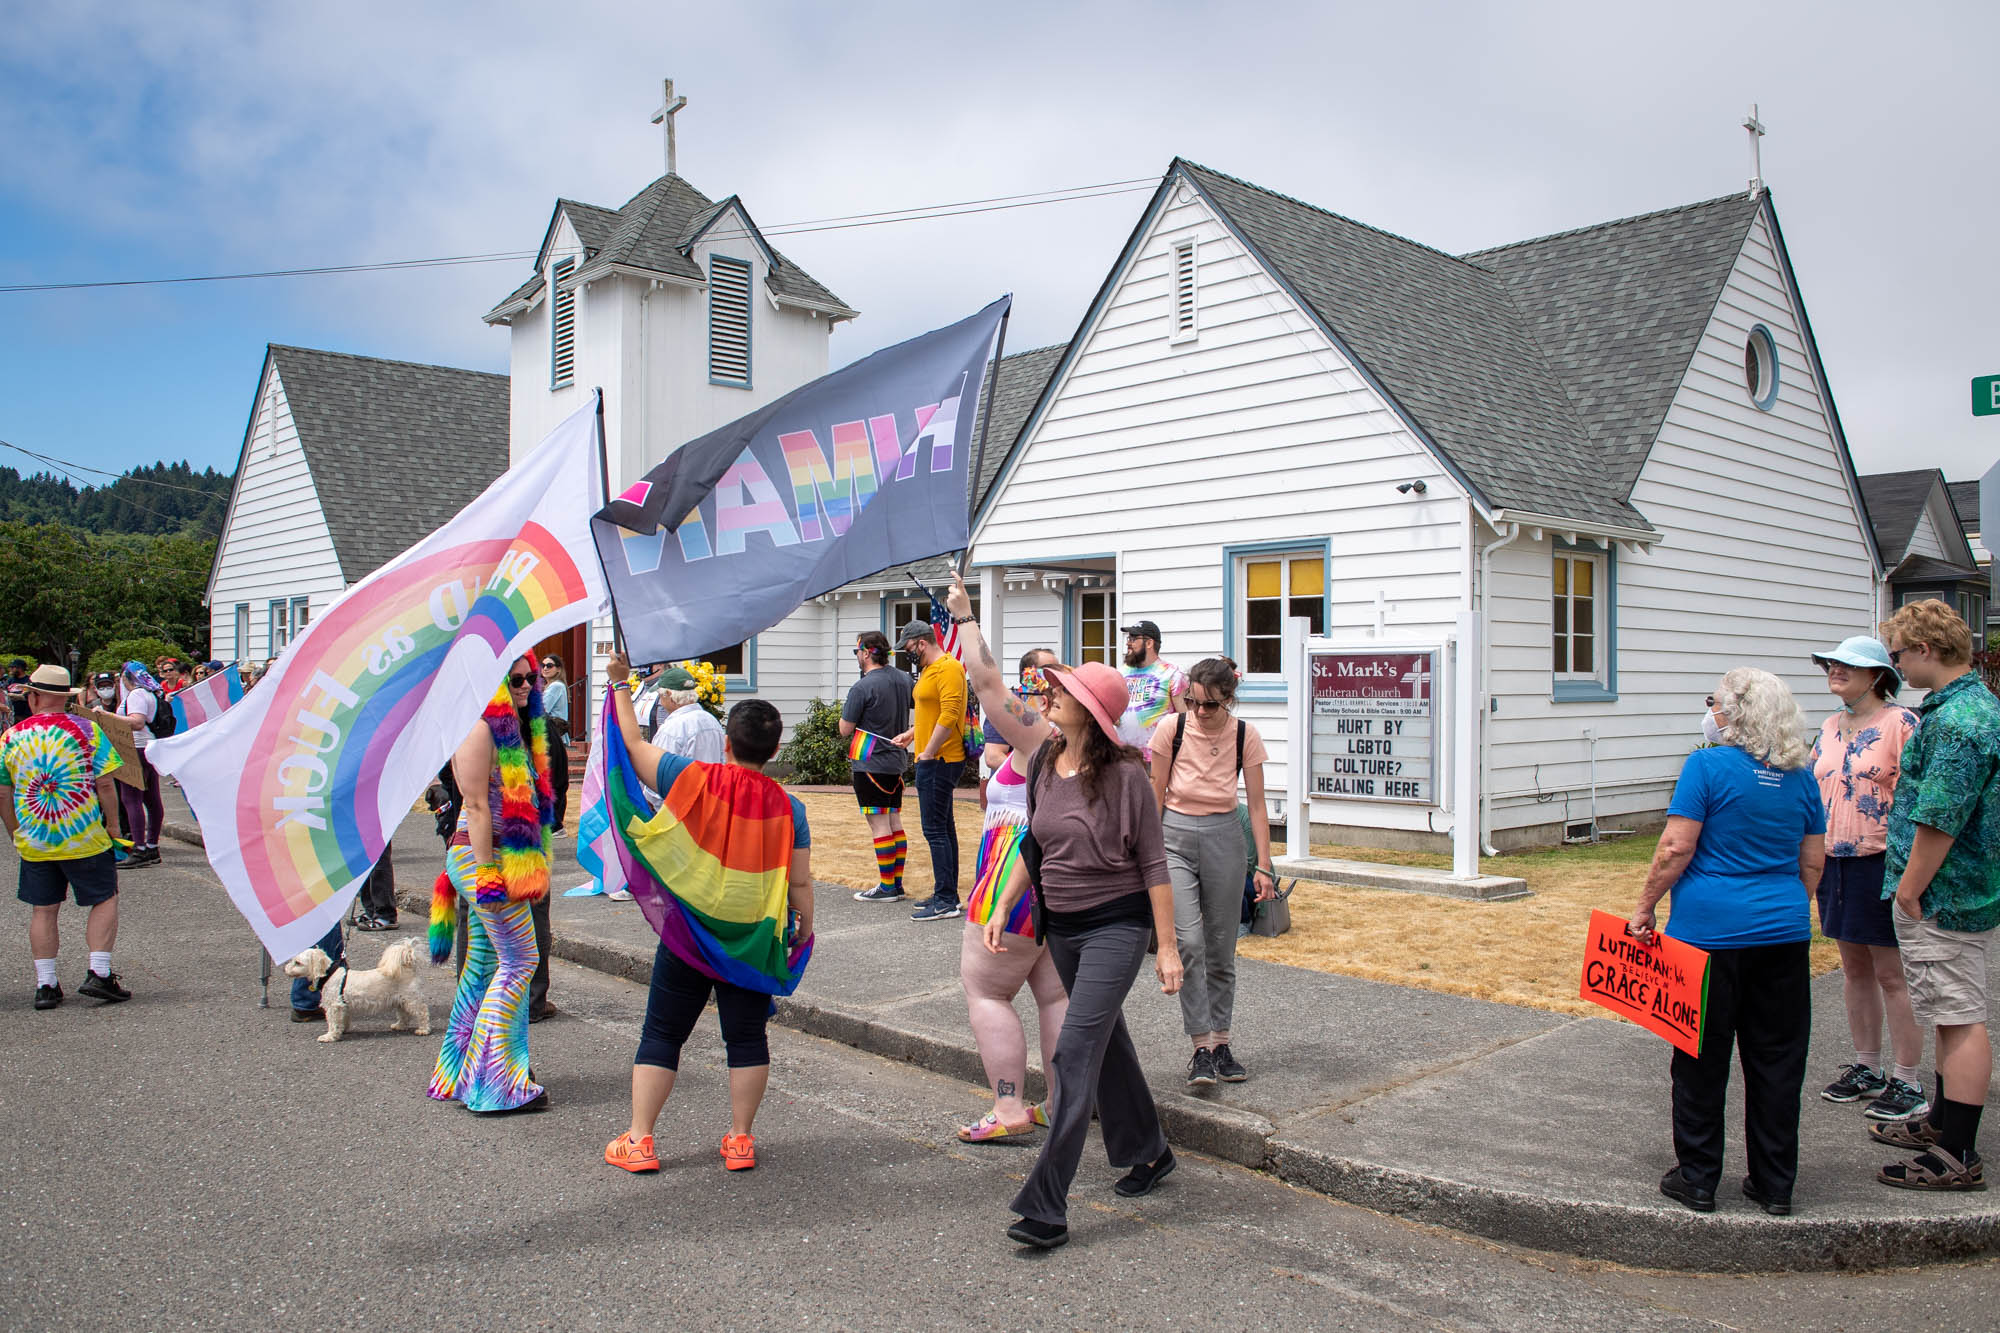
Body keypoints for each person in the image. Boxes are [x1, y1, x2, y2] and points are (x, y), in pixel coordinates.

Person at [979, 651, 1181, 1249]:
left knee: (1072, 1055)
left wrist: (1166, 949)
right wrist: (1002, 906)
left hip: (1117, 928)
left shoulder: (1125, 778)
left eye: (1062, 691)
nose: (1050, 695)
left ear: (1090, 712)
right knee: (1105, 1043)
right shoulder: (1044, 759)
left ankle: (1046, 1204)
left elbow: (1155, 865)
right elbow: (1032, 847)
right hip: (1061, 928)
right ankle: (1149, 1151)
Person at [599, 649, 815, 1175]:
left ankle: (640, 1140)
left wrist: (620, 683)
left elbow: (631, 745)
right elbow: (800, 880)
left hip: (689, 933)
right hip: (753, 936)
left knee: (662, 1034)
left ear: (726, 742)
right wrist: (804, 925)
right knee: (746, 1037)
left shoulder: (691, 777)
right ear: (775, 748)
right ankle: (741, 1140)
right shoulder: (791, 808)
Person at [1630, 668, 1825, 1216]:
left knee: (1700, 1058)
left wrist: (1646, 907)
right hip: (1782, 935)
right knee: (1778, 1061)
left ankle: (1697, 1177)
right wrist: (1787, 906)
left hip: (1707, 935)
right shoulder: (1802, 778)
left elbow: (1675, 847)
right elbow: (1813, 860)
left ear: (1735, 712)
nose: (1710, 708)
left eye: (1713, 700)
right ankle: (1774, 1183)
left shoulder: (1706, 766)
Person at [1869, 599, 2000, 1192]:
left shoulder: (1959, 722)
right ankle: (1943, 1124)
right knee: (1949, 1014)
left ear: (1925, 650)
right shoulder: (1963, 708)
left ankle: (1958, 1154)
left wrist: (1911, 891)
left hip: (1943, 895)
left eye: (1897, 655)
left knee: (1960, 1016)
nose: (1895, 666)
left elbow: (1940, 817)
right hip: (1950, 891)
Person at [941, 576, 1070, 1141]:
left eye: (1050, 690)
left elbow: (988, 683)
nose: (1042, 696)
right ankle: (1066, 1100)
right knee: (1055, 992)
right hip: (1066, 878)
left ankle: (1010, 1108)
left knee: (987, 989)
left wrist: (966, 617)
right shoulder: (1108, 748)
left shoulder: (1043, 740)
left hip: (1014, 871)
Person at [426, 655, 557, 1115]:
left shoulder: (514, 726)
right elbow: (477, 806)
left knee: (483, 963)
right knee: (521, 959)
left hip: (503, 855)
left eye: (531, 678)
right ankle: (498, 1080)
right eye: (515, 679)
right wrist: (486, 873)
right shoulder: (479, 728)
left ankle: (458, 1071)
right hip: (482, 857)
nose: (525, 686)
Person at [1806, 635, 1926, 1121]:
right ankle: (1867, 1067)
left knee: (1892, 973)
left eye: (1846, 665)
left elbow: (1919, 799)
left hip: (1882, 862)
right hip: (1835, 861)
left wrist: (1911, 873)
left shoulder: (1902, 723)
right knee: (1853, 969)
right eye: (1831, 664)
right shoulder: (1829, 726)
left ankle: (1908, 1078)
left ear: (1876, 675)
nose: (1834, 670)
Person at [1148, 657, 1278, 1085]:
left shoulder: (1246, 735)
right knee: (1188, 942)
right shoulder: (1173, 728)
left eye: (1211, 706)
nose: (1201, 712)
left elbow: (1257, 807)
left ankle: (1221, 1042)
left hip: (1225, 836)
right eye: (1193, 702)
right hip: (1175, 837)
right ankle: (1199, 1046)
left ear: (1229, 699)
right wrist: (1146, 852)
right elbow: (1156, 792)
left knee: (1222, 948)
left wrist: (1264, 865)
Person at [0, 665, 130, 1008]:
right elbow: (105, 783)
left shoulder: (11, 736)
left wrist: (15, 831)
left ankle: (46, 984)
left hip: (36, 839)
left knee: (43, 910)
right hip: (84, 835)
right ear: (66, 698)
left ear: (33, 697)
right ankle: (99, 973)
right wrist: (114, 827)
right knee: (104, 899)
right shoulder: (88, 731)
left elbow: (3, 792)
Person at [895, 620, 969, 921]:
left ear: (921, 643)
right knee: (944, 826)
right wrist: (912, 734)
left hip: (940, 759)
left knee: (935, 829)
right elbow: (932, 710)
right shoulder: (929, 669)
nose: (907, 654)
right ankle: (945, 893)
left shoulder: (948, 668)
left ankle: (946, 900)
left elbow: (951, 713)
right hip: (932, 756)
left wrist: (927, 752)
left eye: (909, 648)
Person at [842, 630, 915, 904]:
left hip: (869, 762)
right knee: (894, 821)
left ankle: (887, 887)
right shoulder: (904, 679)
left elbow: (844, 728)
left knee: (879, 824)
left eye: (856, 652)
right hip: (896, 760)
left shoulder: (862, 687)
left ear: (866, 652)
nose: (857, 657)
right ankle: (895, 884)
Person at [98, 663, 165, 868]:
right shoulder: (151, 693)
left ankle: (139, 848)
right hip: (150, 748)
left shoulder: (136, 695)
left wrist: (105, 715)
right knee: (151, 798)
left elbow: (136, 722)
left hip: (135, 747)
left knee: (131, 798)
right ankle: (152, 846)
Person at [1120, 619, 1187, 748]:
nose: (1128, 643)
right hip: (1123, 756)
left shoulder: (1171, 674)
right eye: (1128, 638)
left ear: (1149, 643)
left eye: (1133, 639)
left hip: (1156, 757)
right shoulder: (1121, 672)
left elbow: (1184, 719)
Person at [540, 655, 571, 834]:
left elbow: (542, 708)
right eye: (543, 665)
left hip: (553, 739)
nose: (545, 668)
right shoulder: (550, 686)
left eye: (549, 665)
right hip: (552, 738)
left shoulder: (556, 686)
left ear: (558, 669)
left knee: (553, 780)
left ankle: (555, 823)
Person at [6, 658, 31, 726]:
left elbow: (26, 696)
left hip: (26, 715)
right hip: (12, 715)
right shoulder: (9, 680)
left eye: (12, 667)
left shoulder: (28, 680)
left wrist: (12, 695)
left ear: (20, 668)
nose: (10, 669)